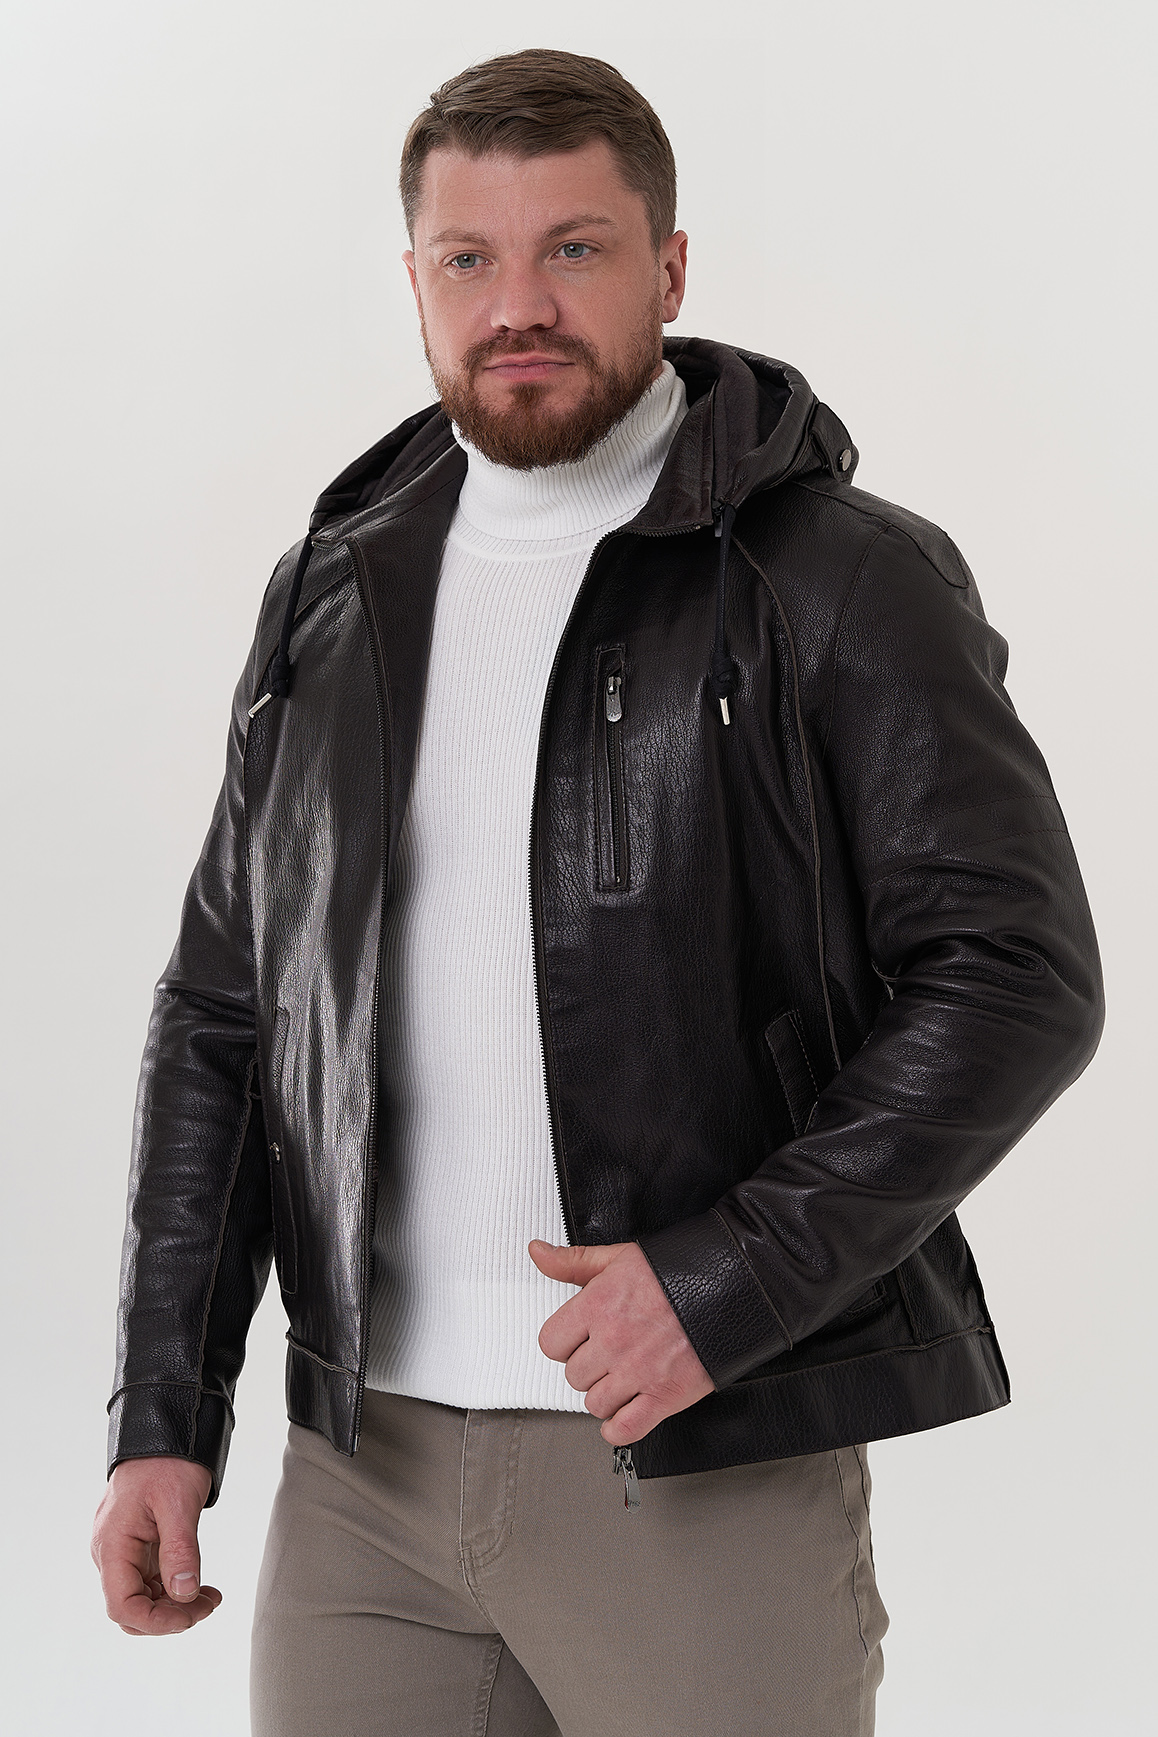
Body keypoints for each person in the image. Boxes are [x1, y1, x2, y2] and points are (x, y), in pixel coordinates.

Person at [90, 47, 1103, 1737]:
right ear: (414, 280)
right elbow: (224, 1011)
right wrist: (161, 1409)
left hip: (696, 1459)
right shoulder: (336, 587)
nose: (519, 306)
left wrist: (728, 1280)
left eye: (575, 248)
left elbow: (1013, 973)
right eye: (468, 258)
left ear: (670, 268)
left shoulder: (836, 576)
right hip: (361, 1480)